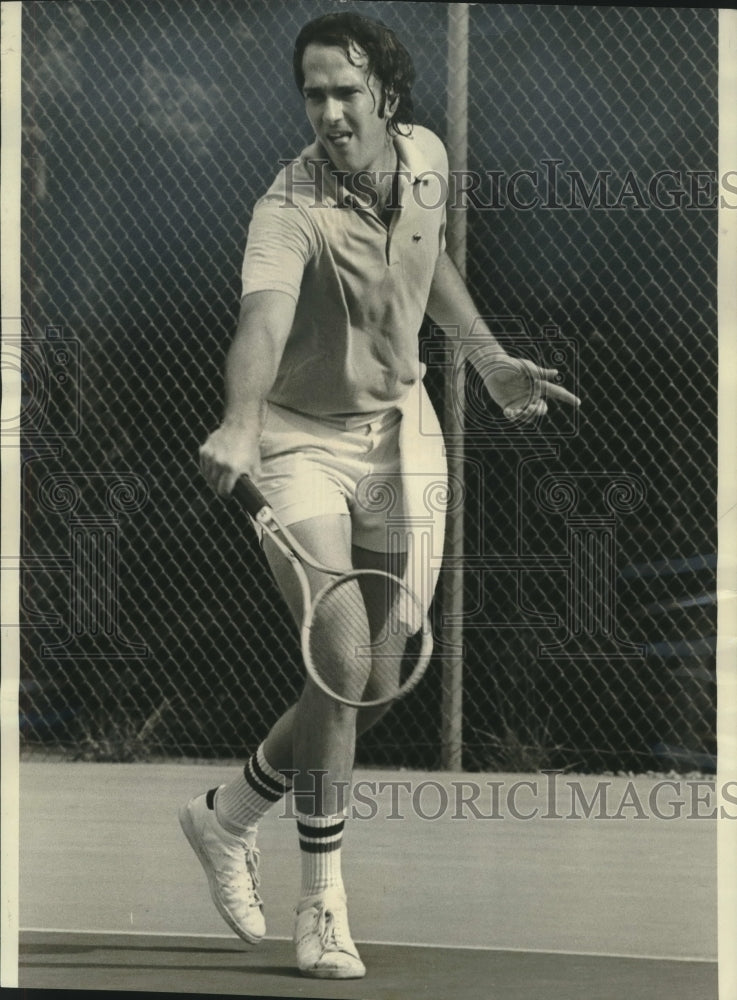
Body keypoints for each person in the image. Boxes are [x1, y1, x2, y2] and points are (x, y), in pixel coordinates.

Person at [180, 10, 580, 981]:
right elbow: (261, 325)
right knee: (342, 654)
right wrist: (237, 421)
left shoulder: (425, 158)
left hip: (401, 431)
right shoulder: (286, 208)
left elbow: (426, 257)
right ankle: (321, 906)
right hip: (295, 443)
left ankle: (225, 815)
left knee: (379, 671)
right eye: (311, 93)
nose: (325, 111)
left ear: (385, 99)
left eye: (343, 92)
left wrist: (484, 361)